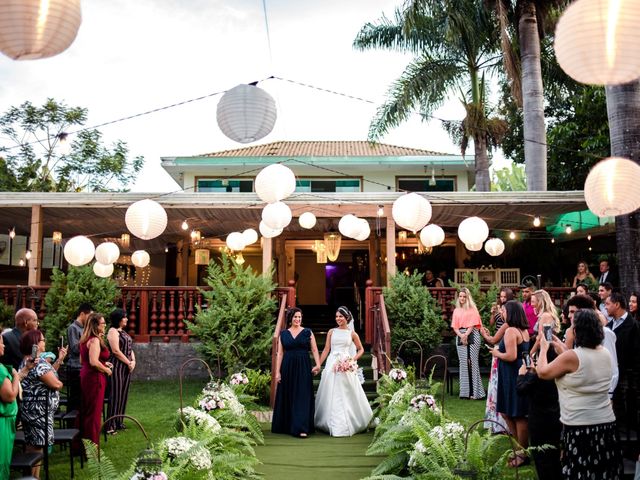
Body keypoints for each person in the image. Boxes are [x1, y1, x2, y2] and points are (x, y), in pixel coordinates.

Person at [537, 309, 623, 479]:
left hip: (580, 428)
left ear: (576, 331)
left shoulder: (572, 357)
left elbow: (543, 372)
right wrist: (560, 346)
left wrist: (543, 348)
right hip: (606, 426)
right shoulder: (604, 353)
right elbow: (579, 363)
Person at [484, 300, 530, 466]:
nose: (501, 313)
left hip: (512, 373)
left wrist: (496, 353)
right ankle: (521, 449)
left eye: (503, 311)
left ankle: (523, 453)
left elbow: (511, 355)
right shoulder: (523, 330)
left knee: (517, 414)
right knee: (506, 412)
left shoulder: (511, 330)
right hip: (514, 372)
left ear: (511, 312)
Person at [315, 306, 373, 436]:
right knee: (331, 389)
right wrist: (318, 363)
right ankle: (329, 422)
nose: (338, 319)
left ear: (347, 318)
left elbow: (361, 349)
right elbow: (326, 349)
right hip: (332, 363)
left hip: (346, 363)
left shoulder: (352, 333)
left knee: (347, 390)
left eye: (340, 316)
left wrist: (351, 360)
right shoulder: (331, 332)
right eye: (336, 316)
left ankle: (351, 421)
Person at [20, 329, 67, 479]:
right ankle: (32, 477)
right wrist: (59, 383)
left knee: (35, 445)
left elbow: (50, 372)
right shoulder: (37, 363)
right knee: (36, 446)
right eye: (43, 340)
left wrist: (59, 359)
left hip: (36, 411)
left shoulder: (32, 361)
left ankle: (34, 477)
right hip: (37, 412)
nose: (45, 342)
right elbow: (55, 383)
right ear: (35, 344)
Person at [272, 308, 321, 438]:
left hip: (303, 366)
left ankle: (301, 427)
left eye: (299, 317)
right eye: (295, 317)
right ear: (290, 319)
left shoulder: (308, 332)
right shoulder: (283, 334)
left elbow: (315, 349)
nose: (298, 319)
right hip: (287, 367)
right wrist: (277, 372)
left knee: (302, 395)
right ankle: (287, 425)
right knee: (289, 394)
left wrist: (318, 364)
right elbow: (280, 353)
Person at [516, 347, 562, 480]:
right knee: (554, 454)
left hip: (538, 420)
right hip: (555, 416)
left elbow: (521, 389)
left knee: (541, 456)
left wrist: (521, 374)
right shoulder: (559, 372)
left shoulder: (537, 375)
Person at [0, 334, 32, 479]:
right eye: (1, 343)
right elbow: (10, 395)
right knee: (2, 462)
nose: (4, 345)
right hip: (2, 423)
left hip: (6, 421)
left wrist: (23, 371)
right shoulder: (0, 370)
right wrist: (16, 376)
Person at [78, 313, 112, 446]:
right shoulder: (94, 340)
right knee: (94, 414)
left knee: (87, 410)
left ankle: (82, 445)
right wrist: (106, 370)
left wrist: (103, 363)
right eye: (103, 323)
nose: (105, 325)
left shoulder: (84, 340)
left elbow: (83, 361)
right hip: (95, 378)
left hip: (86, 376)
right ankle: (92, 447)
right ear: (96, 325)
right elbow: (93, 362)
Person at [483, 287, 512, 433]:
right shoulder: (499, 309)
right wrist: (494, 313)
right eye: (500, 296)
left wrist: (483, 333)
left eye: (504, 296)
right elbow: (491, 323)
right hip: (498, 341)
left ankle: (501, 422)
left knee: (498, 383)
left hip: (502, 343)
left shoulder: (510, 313)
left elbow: (494, 337)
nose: (502, 298)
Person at [451, 288, 485, 400]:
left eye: (464, 296)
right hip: (460, 335)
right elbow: (455, 327)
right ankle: (464, 392)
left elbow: (472, 324)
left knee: (473, 363)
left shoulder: (473, 309)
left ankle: (477, 393)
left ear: (467, 297)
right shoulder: (456, 310)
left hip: (472, 335)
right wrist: (461, 336)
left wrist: (466, 334)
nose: (462, 298)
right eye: (460, 296)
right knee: (463, 363)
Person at [105, 309, 136, 434]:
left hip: (126, 368)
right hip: (117, 367)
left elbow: (130, 349)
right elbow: (116, 351)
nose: (126, 319)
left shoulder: (122, 332)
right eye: (124, 317)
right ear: (118, 318)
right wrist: (128, 362)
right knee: (116, 395)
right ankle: (110, 426)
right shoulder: (112, 331)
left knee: (123, 395)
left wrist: (133, 361)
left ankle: (119, 422)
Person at [67, 303, 93, 411]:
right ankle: (72, 423)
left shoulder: (85, 328)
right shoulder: (73, 328)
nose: (90, 319)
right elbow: (75, 348)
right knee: (75, 398)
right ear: (82, 314)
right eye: (89, 316)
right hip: (75, 367)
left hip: (83, 367)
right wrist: (88, 341)